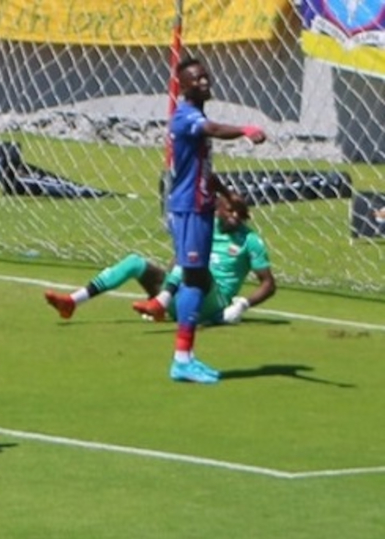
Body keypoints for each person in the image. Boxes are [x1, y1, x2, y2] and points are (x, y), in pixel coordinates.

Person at [162, 57, 265, 384]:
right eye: (197, 79)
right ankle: (181, 358)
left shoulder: (197, 114)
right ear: (184, 85)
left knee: (198, 279)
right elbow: (215, 130)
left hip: (202, 206)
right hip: (189, 209)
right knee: (194, 279)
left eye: (206, 76)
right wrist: (245, 130)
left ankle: (186, 356)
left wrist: (225, 193)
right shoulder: (185, 116)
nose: (204, 82)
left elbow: (201, 168)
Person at [44, 203, 276, 325]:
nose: (234, 215)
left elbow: (268, 284)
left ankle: (160, 304)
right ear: (218, 209)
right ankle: (73, 302)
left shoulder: (250, 240)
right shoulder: (206, 226)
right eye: (229, 210)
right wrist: (169, 285)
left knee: (194, 260)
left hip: (214, 302)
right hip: (182, 291)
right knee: (135, 262)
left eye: (239, 212)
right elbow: (177, 260)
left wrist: (242, 304)